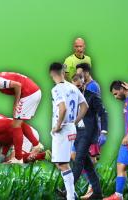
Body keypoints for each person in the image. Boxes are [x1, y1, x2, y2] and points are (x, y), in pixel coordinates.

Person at [0, 72, 43, 163]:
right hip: (32, 92)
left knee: (16, 125)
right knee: (17, 123)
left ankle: (21, 157)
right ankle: (35, 147)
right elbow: (1, 141)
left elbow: (17, 85)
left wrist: (16, 103)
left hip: (29, 94)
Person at [49, 62, 89, 200]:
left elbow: (63, 108)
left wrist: (58, 125)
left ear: (51, 74)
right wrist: (75, 122)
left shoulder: (56, 89)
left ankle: (71, 196)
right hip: (71, 127)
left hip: (63, 129)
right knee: (61, 163)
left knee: (62, 164)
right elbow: (84, 106)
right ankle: (71, 193)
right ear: (63, 72)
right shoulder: (73, 87)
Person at [105, 80, 128, 200]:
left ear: (122, 89)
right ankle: (118, 195)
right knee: (121, 165)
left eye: (115, 94)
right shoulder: (127, 101)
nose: (115, 97)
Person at [71, 73, 106, 199]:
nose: (78, 89)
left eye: (80, 86)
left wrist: (104, 132)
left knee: (78, 160)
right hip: (76, 134)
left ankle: (67, 190)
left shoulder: (92, 97)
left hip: (88, 133)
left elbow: (103, 113)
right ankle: (97, 192)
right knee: (87, 165)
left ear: (84, 84)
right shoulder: (72, 99)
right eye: (75, 87)